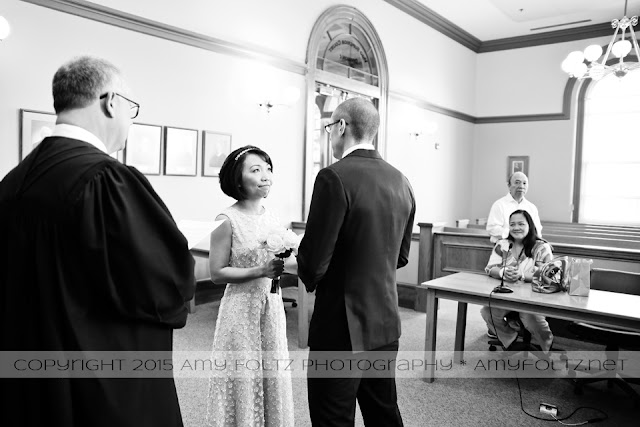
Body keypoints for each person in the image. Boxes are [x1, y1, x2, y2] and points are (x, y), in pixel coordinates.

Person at [0, 56, 195, 426]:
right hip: (101, 380)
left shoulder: (12, 183)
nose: (129, 123)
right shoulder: (106, 179)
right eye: (131, 110)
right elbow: (165, 286)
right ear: (111, 102)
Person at [297, 98, 416, 427]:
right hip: (385, 321)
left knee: (332, 416)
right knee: (383, 413)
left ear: (341, 127)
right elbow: (401, 256)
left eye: (329, 128)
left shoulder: (333, 177)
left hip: (340, 325)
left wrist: (299, 257)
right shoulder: (401, 181)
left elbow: (314, 265)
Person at [205, 145, 294, 427]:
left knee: (272, 371)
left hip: (271, 306)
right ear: (238, 180)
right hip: (240, 309)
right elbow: (217, 273)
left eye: (268, 169)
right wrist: (260, 270)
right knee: (242, 375)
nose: (266, 176)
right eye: (256, 170)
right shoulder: (226, 220)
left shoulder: (272, 216)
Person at [480, 210, 554, 352]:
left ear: (530, 225)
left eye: (521, 224)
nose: (516, 227)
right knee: (487, 312)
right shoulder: (503, 244)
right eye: (512, 224)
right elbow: (489, 268)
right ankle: (510, 340)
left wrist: (521, 275)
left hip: (532, 299)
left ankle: (546, 346)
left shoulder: (542, 248)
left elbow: (548, 275)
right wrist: (502, 272)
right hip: (506, 297)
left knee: (531, 319)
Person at [486, 171, 543, 243]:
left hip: (527, 248)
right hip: (504, 248)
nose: (521, 186)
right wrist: (515, 234)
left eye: (524, 183)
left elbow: (537, 230)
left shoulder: (532, 207)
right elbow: (492, 228)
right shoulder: (499, 205)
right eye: (517, 182)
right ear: (509, 185)